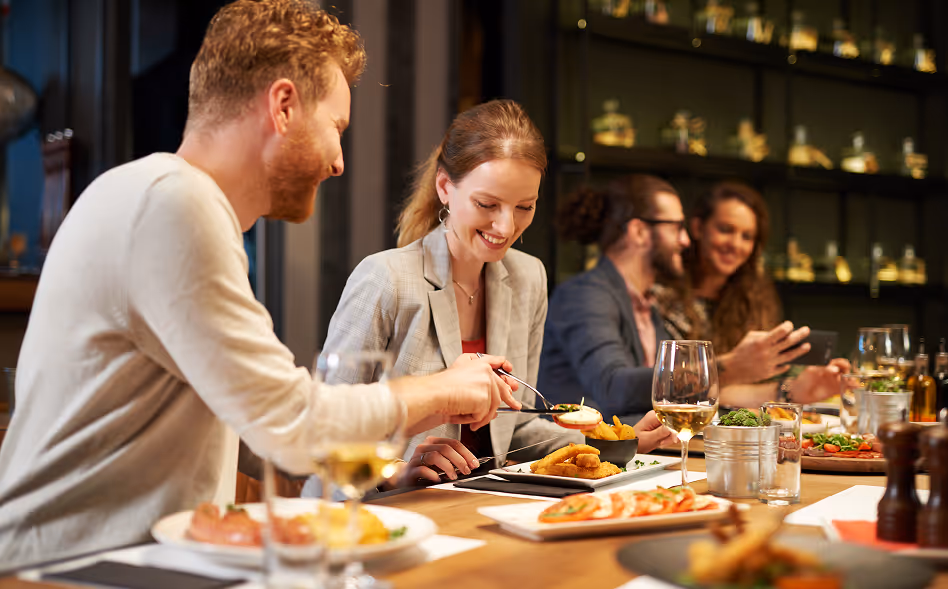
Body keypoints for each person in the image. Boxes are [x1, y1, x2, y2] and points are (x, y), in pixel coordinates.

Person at [0, 0, 520, 568]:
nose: (339, 161)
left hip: (132, 562)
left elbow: (256, 430)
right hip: (69, 569)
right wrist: (445, 389)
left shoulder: (160, 198)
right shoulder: (174, 205)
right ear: (284, 106)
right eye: (336, 128)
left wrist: (398, 450)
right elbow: (293, 424)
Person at [311, 101, 674, 487]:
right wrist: (396, 470)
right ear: (445, 187)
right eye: (487, 204)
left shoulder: (527, 277)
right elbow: (324, 429)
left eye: (525, 207)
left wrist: (620, 441)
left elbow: (515, 428)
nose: (506, 226)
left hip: (482, 503)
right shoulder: (385, 279)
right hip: (369, 512)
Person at [539, 175, 813, 421]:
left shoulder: (646, 304)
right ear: (639, 232)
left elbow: (676, 394)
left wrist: (790, 391)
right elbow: (614, 387)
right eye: (676, 228)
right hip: (580, 462)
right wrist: (728, 366)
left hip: (637, 458)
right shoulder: (586, 294)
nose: (685, 240)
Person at [655, 180, 850, 406]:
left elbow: (745, 390)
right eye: (725, 230)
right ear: (698, 228)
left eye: (747, 236)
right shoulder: (660, 297)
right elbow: (665, 387)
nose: (736, 244)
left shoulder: (754, 296)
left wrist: (800, 387)